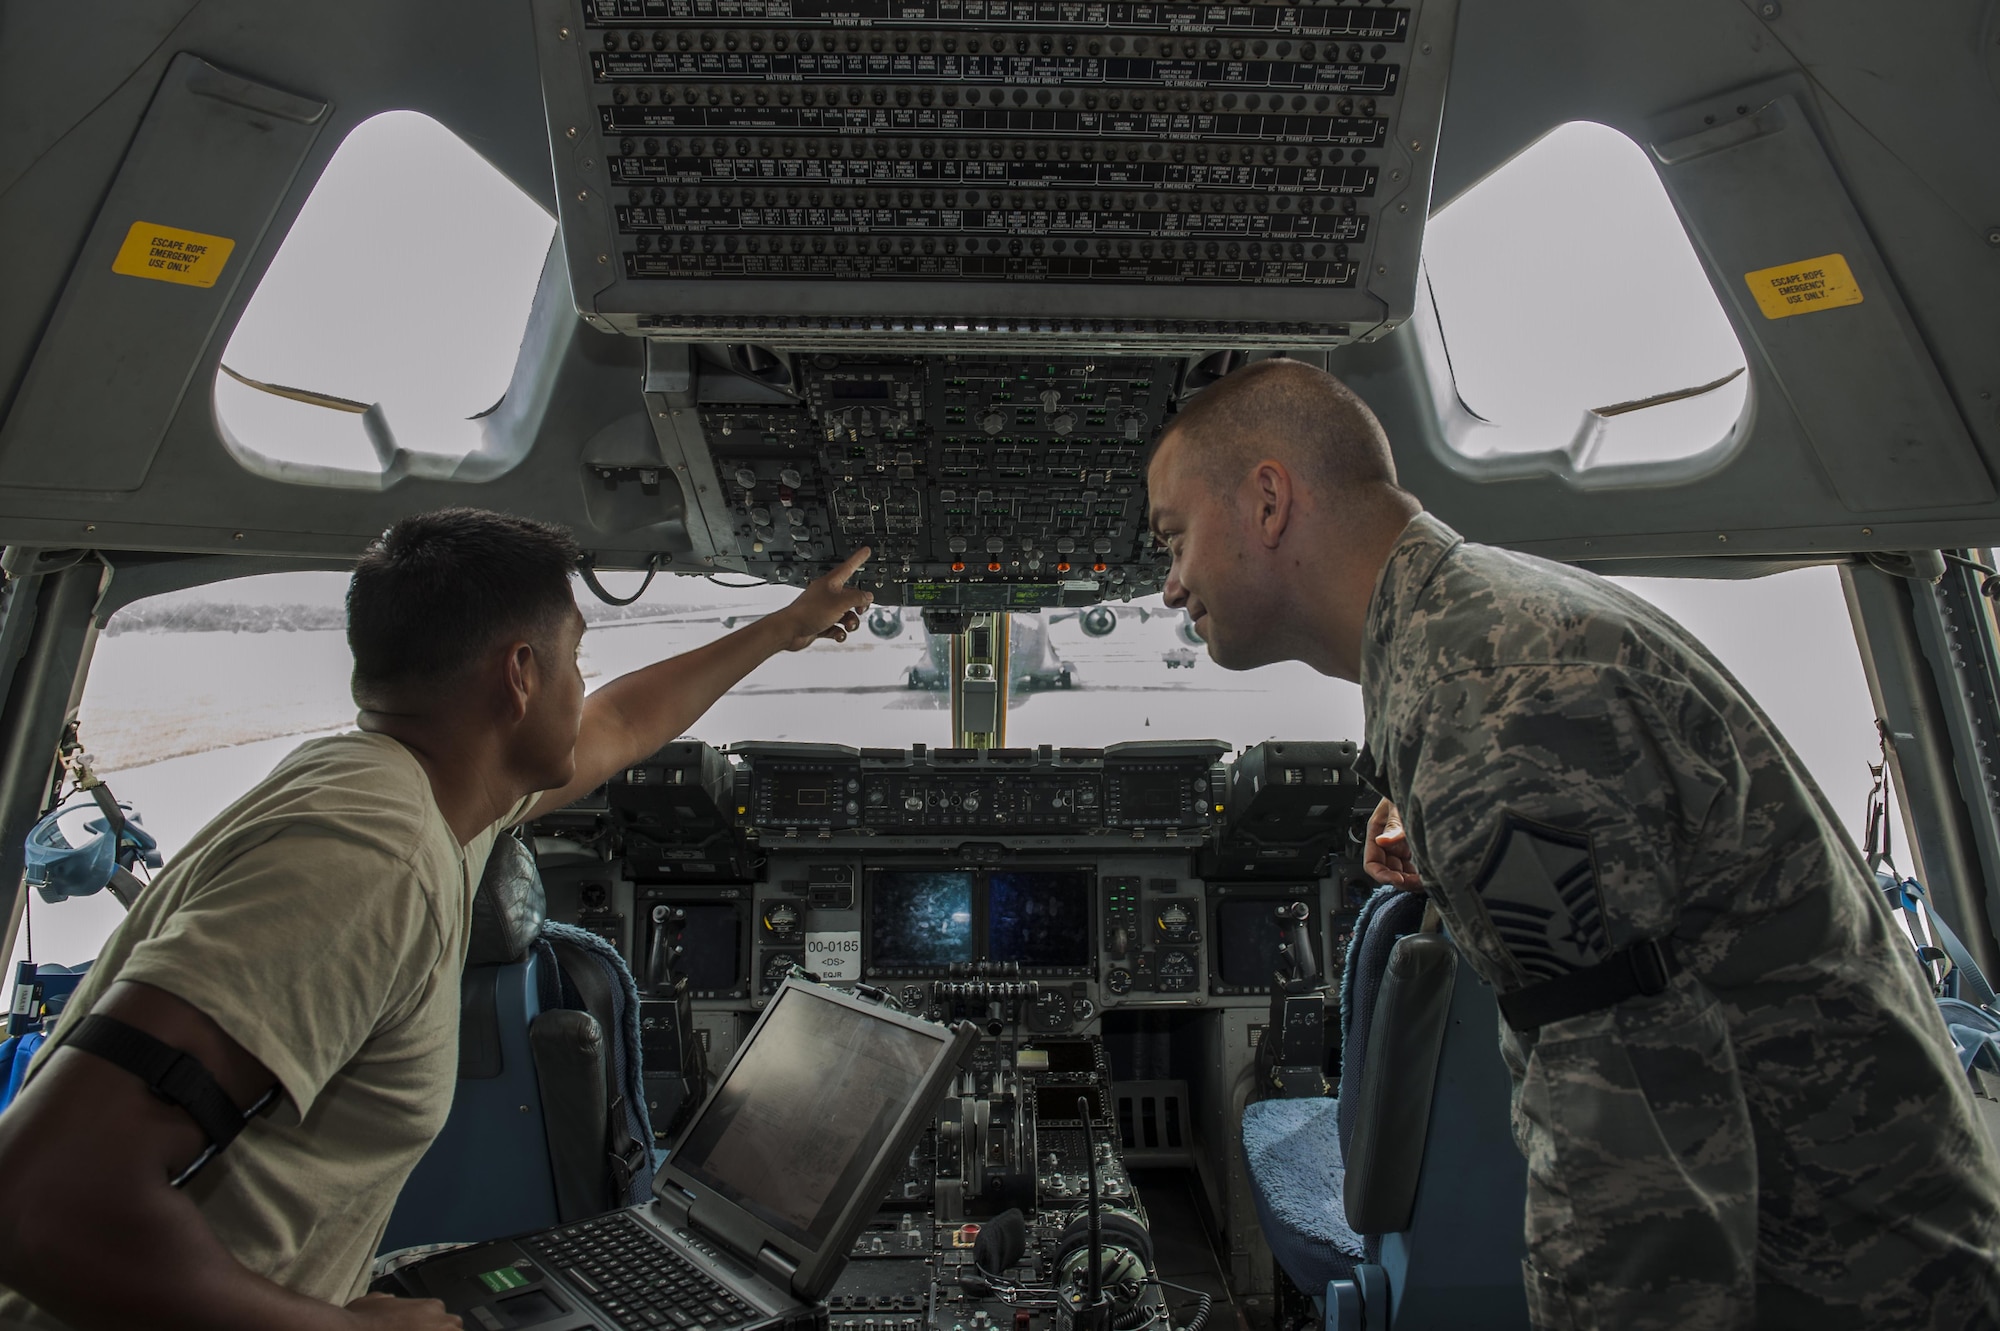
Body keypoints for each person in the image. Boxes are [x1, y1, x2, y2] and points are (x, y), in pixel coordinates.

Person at [1145, 358, 2000, 1329]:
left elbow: (1633, 1162)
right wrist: (1429, 817)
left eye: (1174, 538)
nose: (1170, 585)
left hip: (1840, 1278)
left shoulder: (1495, 710)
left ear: (1265, 499)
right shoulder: (1483, 632)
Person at [0, 509, 874, 1331]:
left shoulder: (410, 783)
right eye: (575, 659)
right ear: (520, 675)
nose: (584, 686)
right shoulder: (366, 854)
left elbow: (617, 724)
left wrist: (784, 627)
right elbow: (42, 1201)